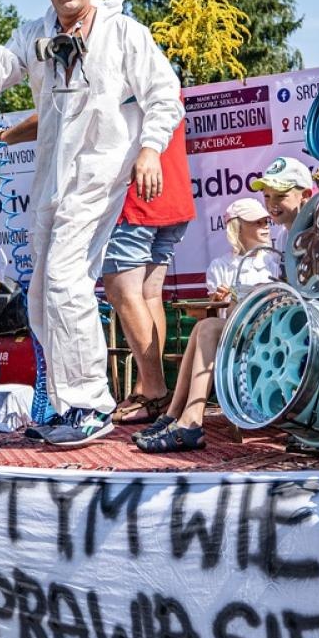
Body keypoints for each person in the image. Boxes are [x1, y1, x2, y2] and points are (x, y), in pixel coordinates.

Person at [0, 0, 183, 446]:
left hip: (101, 172)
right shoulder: (35, 33)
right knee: (40, 293)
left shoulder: (123, 32)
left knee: (64, 279)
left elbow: (165, 95)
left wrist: (148, 152)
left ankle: (91, 404)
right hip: (51, 179)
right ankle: (64, 405)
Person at [136, 198, 280, 452]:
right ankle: (177, 416)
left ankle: (181, 417)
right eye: (256, 222)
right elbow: (212, 310)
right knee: (205, 327)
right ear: (238, 227)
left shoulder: (273, 260)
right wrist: (220, 299)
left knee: (208, 327)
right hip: (233, 337)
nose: (264, 226)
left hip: (263, 336)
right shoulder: (221, 266)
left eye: (265, 220)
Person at [103, 115, 194, 426]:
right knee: (147, 294)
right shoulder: (165, 76)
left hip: (137, 197)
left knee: (123, 290)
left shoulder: (132, 70)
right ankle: (147, 389)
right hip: (171, 193)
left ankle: (154, 391)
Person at [252, 155, 314, 256]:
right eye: (267, 196)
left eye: (280, 195)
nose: (272, 203)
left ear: (305, 195)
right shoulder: (283, 237)